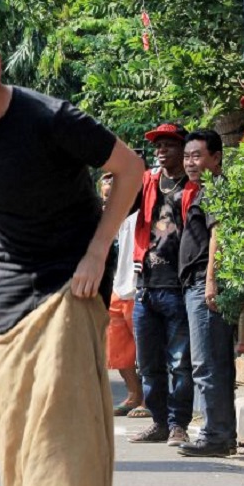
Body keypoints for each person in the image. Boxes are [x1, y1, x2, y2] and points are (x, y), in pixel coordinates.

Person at [0, 16, 143, 486]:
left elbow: (130, 168)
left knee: (63, 417)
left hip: (72, 278)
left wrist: (96, 252)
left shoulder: (50, 118)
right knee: (15, 420)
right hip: (7, 284)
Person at [128, 123, 194, 446]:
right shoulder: (148, 182)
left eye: (169, 144)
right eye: (158, 145)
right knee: (149, 362)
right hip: (146, 284)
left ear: (183, 148)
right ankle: (159, 422)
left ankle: (178, 423)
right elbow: (123, 204)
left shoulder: (193, 187)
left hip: (177, 287)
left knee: (180, 362)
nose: (161, 150)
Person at [176, 129, 237, 457]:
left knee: (206, 363)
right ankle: (222, 433)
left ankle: (216, 434)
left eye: (197, 155)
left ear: (216, 157)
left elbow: (219, 236)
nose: (190, 162)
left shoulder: (213, 189)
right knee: (214, 361)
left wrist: (211, 281)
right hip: (197, 285)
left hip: (204, 284)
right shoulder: (201, 191)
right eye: (187, 156)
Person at [100, 174, 146, 418]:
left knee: (145, 349)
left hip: (138, 288)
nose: (108, 202)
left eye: (112, 196)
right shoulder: (107, 220)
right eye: (105, 197)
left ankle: (148, 400)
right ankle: (133, 394)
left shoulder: (143, 216)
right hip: (117, 289)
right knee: (118, 349)